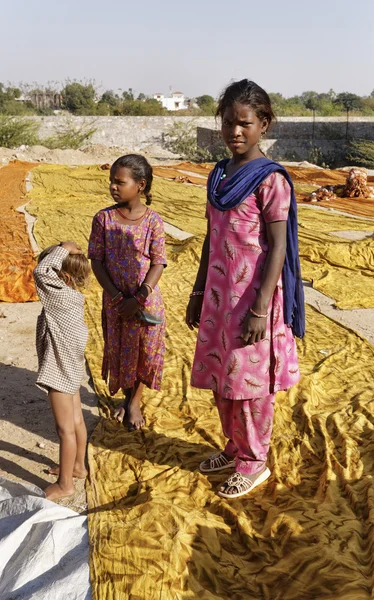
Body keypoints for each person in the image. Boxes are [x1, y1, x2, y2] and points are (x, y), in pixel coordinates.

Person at [186, 79, 305, 499]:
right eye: (228, 123)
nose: (235, 132)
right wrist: (199, 292)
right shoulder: (218, 175)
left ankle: (254, 463)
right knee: (223, 377)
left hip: (253, 301)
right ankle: (235, 448)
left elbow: (276, 248)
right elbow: (210, 238)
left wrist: (259, 308)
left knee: (251, 385)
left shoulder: (271, 181)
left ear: (263, 125)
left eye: (244, 124)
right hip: (220, 298)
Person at [88, 154, 167, 430]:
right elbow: (96, 260)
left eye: (120, 182)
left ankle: (134, 402)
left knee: (144, 350)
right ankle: (126, 398)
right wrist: (118, 297)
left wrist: (140, 297)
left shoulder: (153, 221)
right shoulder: (103, 219)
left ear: (141, 185)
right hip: (116, 301)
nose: (113, 187)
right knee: (122, 349)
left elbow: (158, 261)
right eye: (111, 181)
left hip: (145, 302)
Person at [34, 241, 90, 501]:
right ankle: (78, 466)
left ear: (63, 277)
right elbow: (46, 271)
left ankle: (65, 484)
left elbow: (41, 272)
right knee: (77, 421)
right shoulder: (73, 297)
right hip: (72, 367)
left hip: (59, 371)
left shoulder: (58, 296)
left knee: (64, 429)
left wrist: (62, 248)